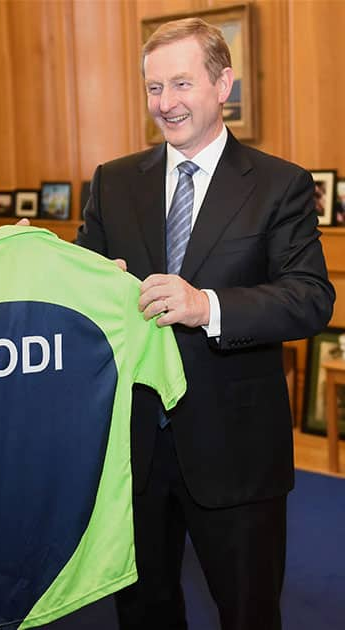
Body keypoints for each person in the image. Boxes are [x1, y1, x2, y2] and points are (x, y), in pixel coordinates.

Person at [76, 18, 335, 630]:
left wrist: (207, 307)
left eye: (181, 84)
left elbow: (310, 298)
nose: (165, 104)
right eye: (153, 88)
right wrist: (93, 285)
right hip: (134, 446)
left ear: (223, 85)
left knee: (248, 612)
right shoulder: (113, 182)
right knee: (144, 610)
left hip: (237, 449)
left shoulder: (280, 185)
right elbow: (87, 289)